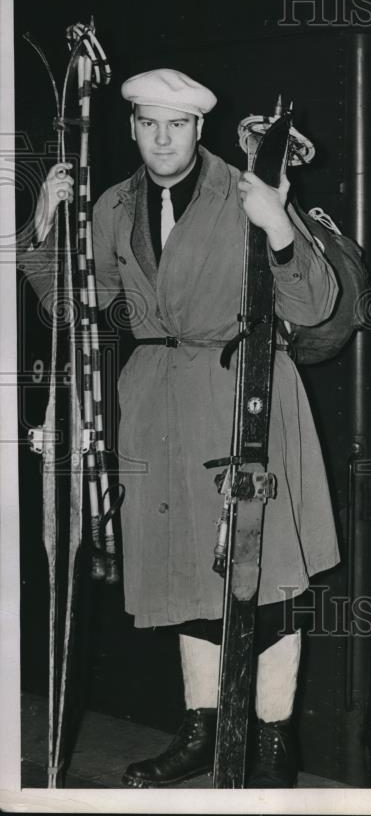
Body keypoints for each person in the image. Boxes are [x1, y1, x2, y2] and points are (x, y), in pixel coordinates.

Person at [17, 67, 341, 788]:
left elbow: (315, 306)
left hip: (244, 394)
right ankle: (200, 731)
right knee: (185, 573)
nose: (163, 138)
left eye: (179, 124)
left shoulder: (245, 189)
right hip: (157, 405)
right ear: (131, 127)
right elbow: (77, 309)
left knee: (270, 579)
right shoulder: (114, 205)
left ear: (200, 129)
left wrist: (279, 224)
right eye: (149, 123)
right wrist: (43, 224)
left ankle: (273, 743)